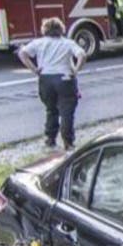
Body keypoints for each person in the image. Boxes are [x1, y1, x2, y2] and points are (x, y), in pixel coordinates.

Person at [16, 17, 87, 150]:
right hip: (65, 79)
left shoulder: (39, 43)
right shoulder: (68, 43)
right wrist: (76, 70)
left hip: (46, 79)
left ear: (45, 30)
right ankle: (68, 142)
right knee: (67, 112)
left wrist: (35, 69)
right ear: (61, 29)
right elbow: (82, 54)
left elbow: (22, 53)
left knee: (51, 110)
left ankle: (50, 139)